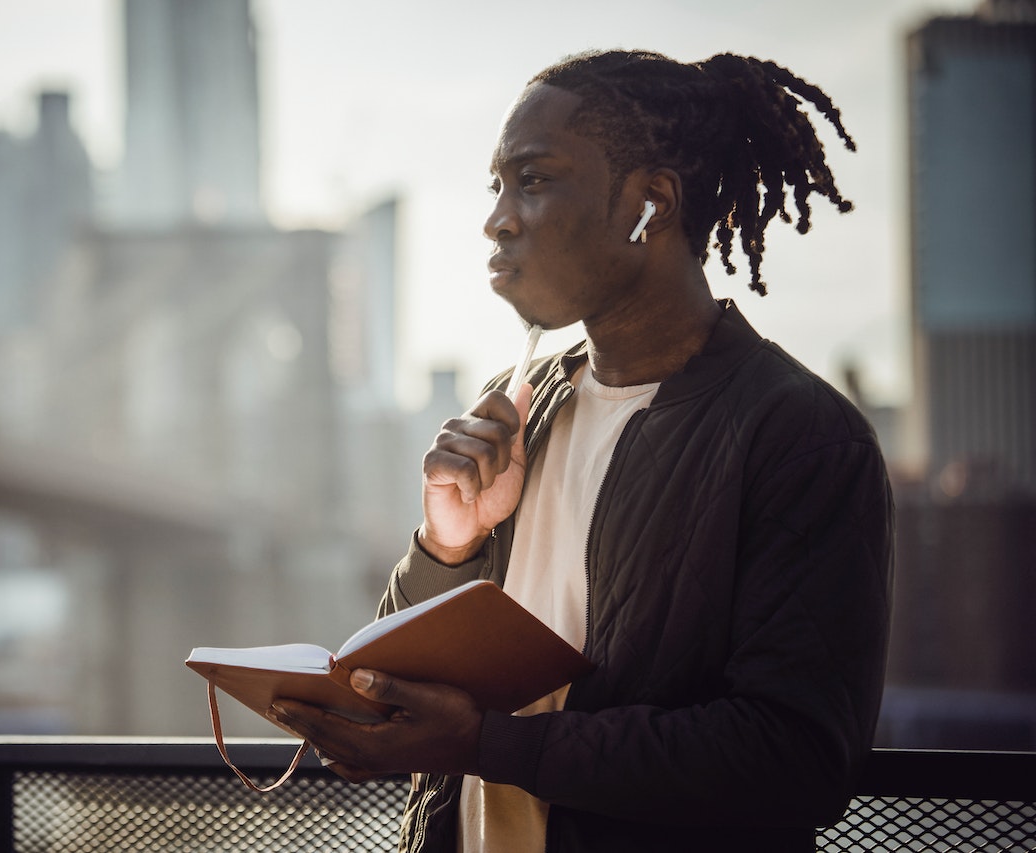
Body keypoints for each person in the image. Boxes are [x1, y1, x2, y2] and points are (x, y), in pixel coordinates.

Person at [268, 49, 893, 853]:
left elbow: (796, 758)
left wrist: (488, 746)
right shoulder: (522, 407)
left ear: (649, 204)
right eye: (497, 184)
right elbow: (401, 689)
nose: (496, 217)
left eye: (532, 180)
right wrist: (446, 546)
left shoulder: (800, 434)